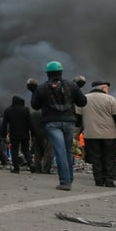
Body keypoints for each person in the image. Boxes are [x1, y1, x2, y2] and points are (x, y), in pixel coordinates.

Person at [29, 61, 87, 191]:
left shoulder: (42, 88)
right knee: (67, 151)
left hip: (52, 122)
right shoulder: (72, 85)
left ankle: (65, 182)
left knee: (60, 151)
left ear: (48, 73)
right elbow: (82, 102)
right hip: (69, 122)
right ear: (61, 72)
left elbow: (35, 105)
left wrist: (33, 91)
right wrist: (78, 89)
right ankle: (69, 178)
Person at [76, 80, 116, 187]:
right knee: (109, 157)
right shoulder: (111, 99)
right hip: (109, 136)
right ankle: (109, 181)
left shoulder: (83, 99)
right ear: (103, 88)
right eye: (107, 88)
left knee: (96, 158)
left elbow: (78, 120)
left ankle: (98, 180)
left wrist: (75, 136)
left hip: (90, 136)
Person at [2, 95, 34, 174]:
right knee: (26, 150)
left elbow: (4, 124)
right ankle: (31, 165)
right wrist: (33, 133)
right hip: (25, 134)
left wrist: (3, 135)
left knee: (14, 151)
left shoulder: (8, 110)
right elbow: (30, 123)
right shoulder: (26, 110)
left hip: (14, 134)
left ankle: (16, 168)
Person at [30, 109, 53, 174]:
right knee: (48, 152)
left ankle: (38, 169)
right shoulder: (48, 112)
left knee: (37, 153)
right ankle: (46, 169)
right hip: (46, 134)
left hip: (36, 135)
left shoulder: (33, 114)